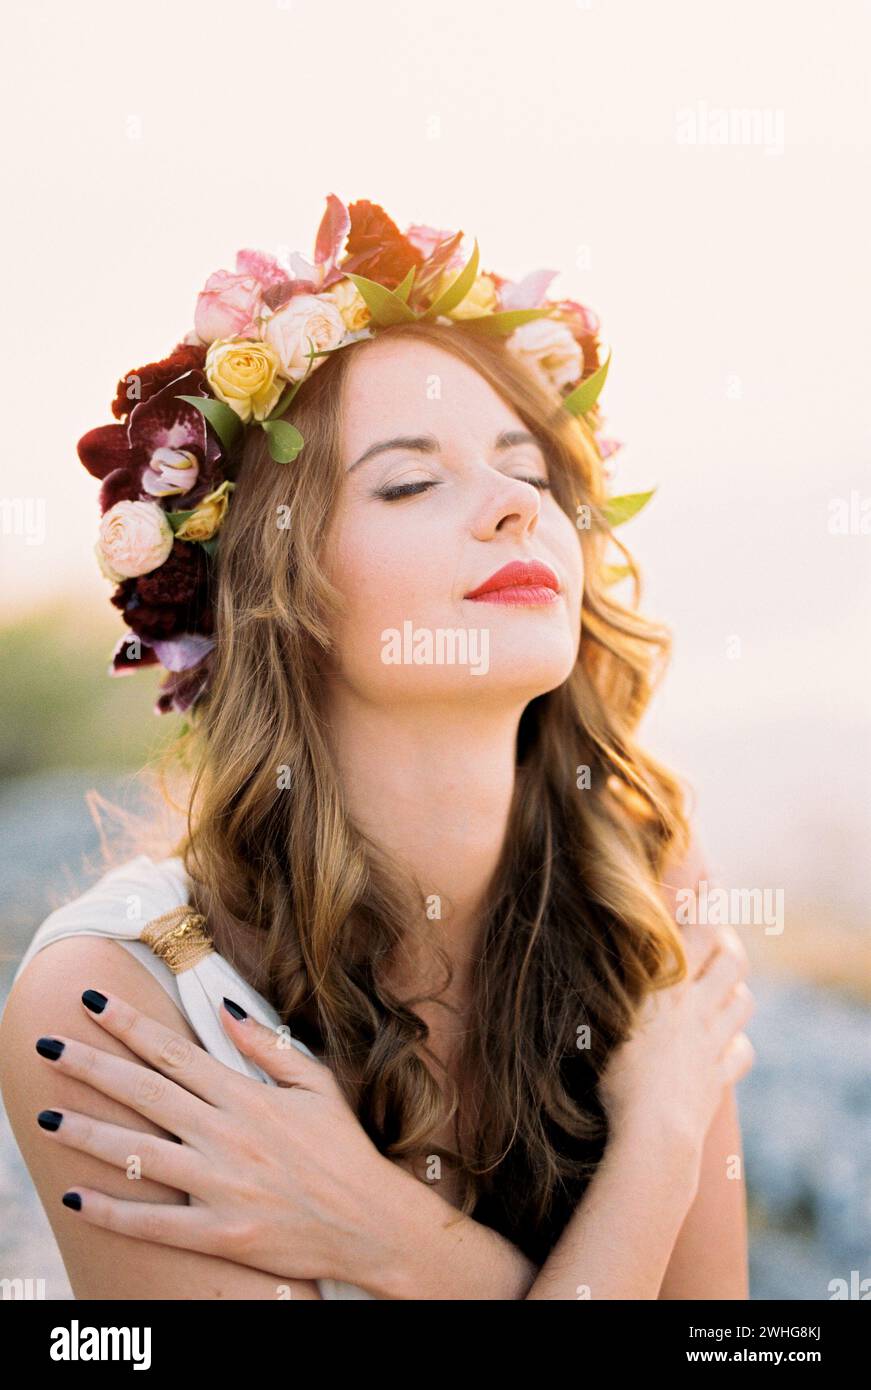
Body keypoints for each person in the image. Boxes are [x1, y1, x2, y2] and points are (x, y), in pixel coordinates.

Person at [0, 199, 756, 1299]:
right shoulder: (119, 1006)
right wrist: (655, 1150)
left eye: (530, 473)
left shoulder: (645, 903)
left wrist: (395, 1243)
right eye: (410, 480)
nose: (512, 508)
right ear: (279, 599)